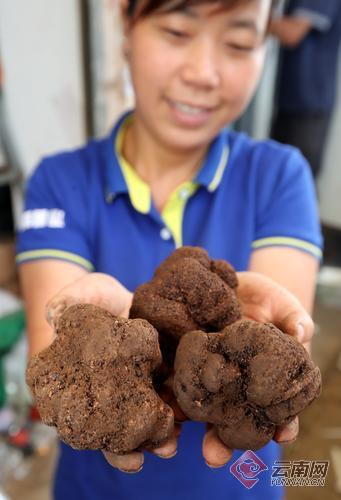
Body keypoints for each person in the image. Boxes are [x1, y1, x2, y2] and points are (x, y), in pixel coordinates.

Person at [16, 0, 322, 498]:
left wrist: (276, 344)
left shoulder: (278, 175)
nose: (203, 73)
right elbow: (48, 354)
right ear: (127, 25)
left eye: (239, 43)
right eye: (178, 31)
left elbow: (288, 334)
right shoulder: (61, 180)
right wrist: (78, 331)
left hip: (241, 483)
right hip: (98, 488)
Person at [270, 0, 341, 179]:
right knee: (275, 175)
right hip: (290, 98)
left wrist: (242, 18)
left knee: (299, 179)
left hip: (309, 103)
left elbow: (292, 33)